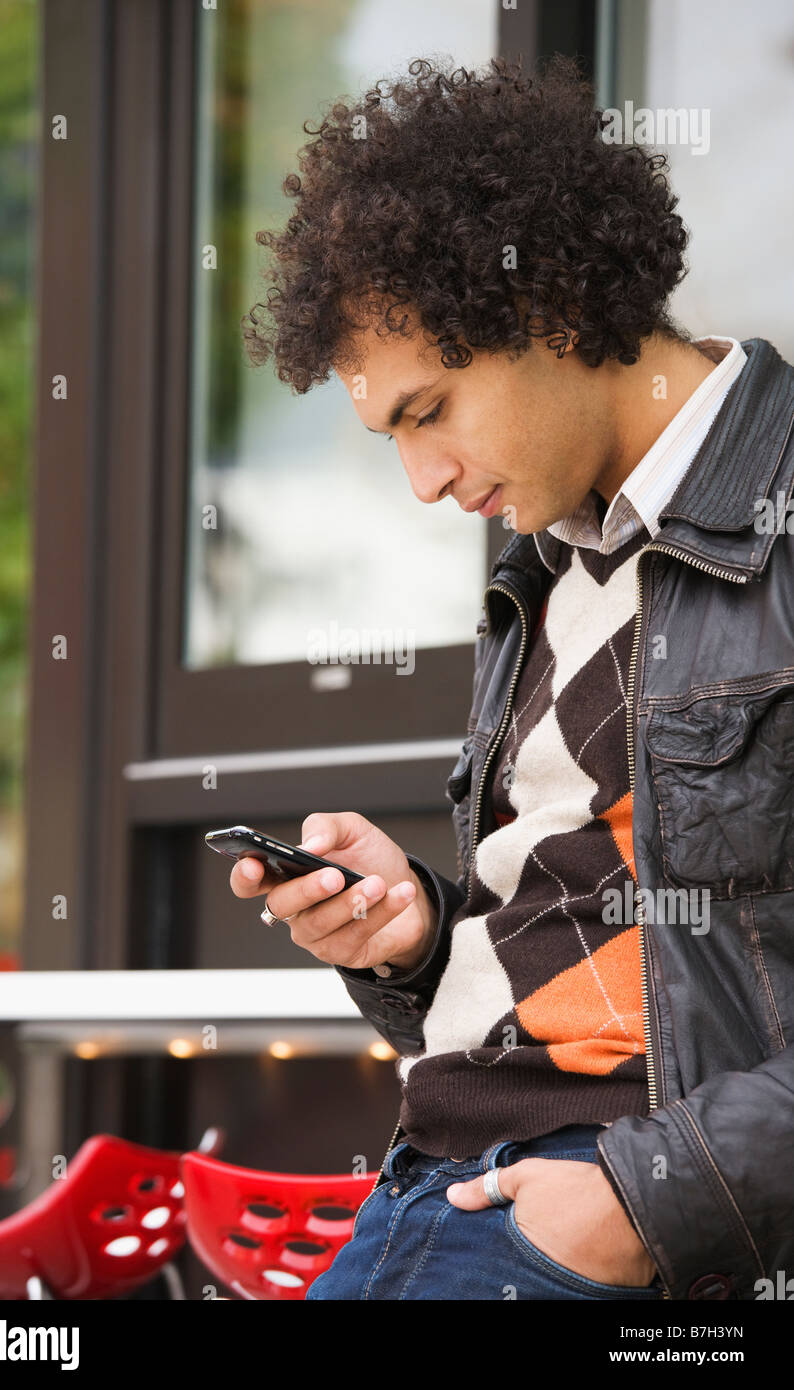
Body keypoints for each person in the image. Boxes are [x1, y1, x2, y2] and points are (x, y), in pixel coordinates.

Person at [231, 54, 794, 1300]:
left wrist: (646, 1204)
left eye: (429, 411)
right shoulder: (544, 572)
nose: (422, 481)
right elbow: (600, 945)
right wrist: (418, 939)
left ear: (546, 302)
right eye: (392, 436)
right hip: (445, 1180)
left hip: (600, 1211)